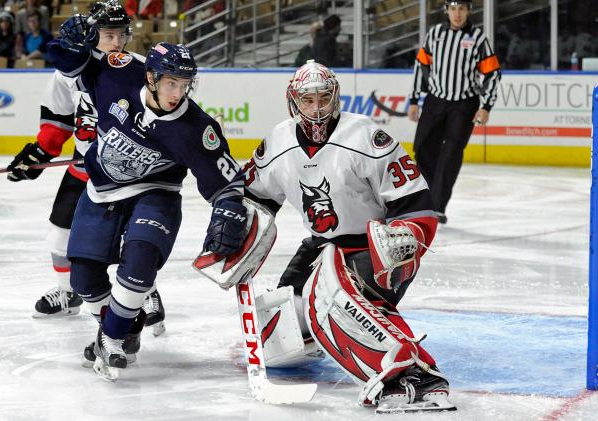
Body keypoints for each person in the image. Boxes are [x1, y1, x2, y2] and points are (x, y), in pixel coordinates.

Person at [242, 60, 454, 413]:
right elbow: (254, 198)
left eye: (323, 98)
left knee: (337, 305)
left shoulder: (366, 137)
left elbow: (416, 202)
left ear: (335, 97)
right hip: (321, 247)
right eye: (308, 101)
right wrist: (232, 227)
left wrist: (406, 236)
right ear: (293, 101)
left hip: (374, 246)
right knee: (282, 332)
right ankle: (343, 333)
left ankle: (417, 374)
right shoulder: (278, 142)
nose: (316, 109)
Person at [47, 18, 247, 380]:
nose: (177, 93)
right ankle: (127, 323)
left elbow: (227, 184)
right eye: (171, 83)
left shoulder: (197, 128)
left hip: (157, 193)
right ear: (151, 78)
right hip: (101, 190)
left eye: (185, 85)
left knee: (139, 264)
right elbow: (73, 66)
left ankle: (112, 337)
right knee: (84, 282)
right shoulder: (117, 74)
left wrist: (229, 210)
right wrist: (68, 47)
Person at [6, 1, 168, 343]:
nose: (117, 42)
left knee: (133, 240)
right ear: (92, 36)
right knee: (59, 234)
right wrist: (37, 155)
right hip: (84, 170)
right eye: (108, 35)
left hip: (127, 174)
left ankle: (146, 291)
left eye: (121, 34)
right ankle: (69, 293)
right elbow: (57, 123)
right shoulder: (68, 73)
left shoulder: (138, 70)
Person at [407, 0, 501, 224]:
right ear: (446, 11)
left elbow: (493, 73)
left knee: (451, 154)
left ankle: (437, 206)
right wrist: (413, 99)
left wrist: (486, 106)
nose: (457, 14)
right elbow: (421, 66)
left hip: (464, 104)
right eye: (453, 9)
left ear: (468, 11)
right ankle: (425, 201)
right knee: (423, 148)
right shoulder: (435, 34)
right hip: (435, 101)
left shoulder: (478, 38)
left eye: (462, 9)